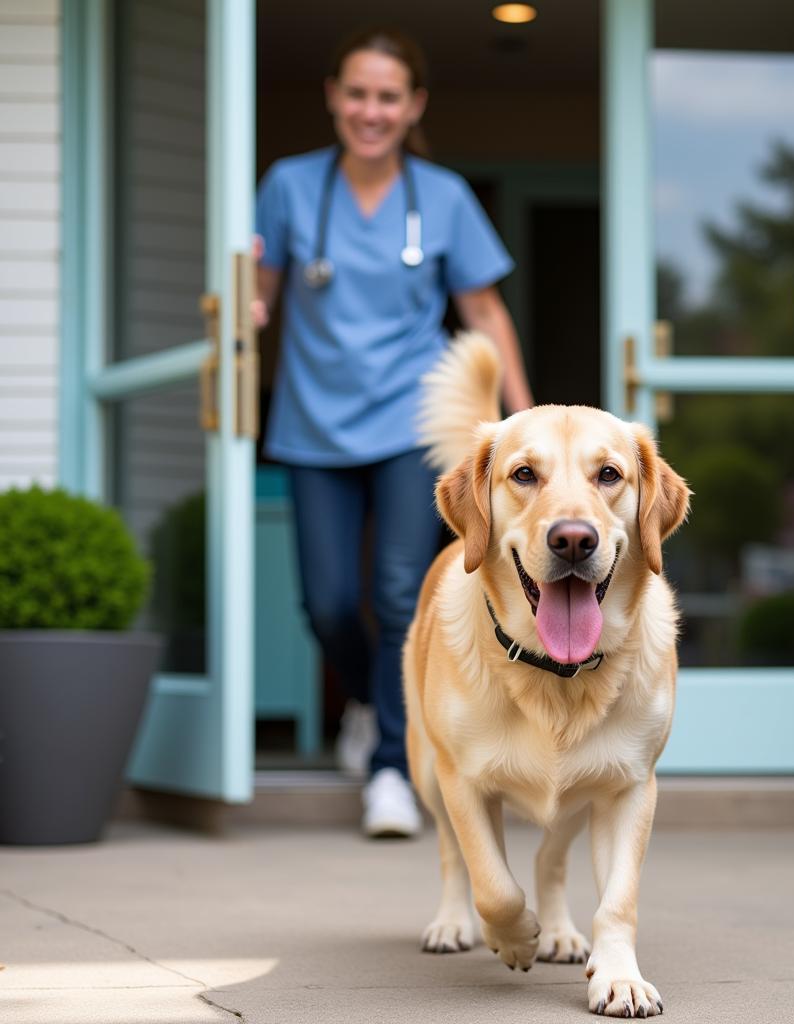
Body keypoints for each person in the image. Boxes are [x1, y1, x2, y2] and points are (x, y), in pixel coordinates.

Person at [253, 27, 533, 839]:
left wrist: (516, 418)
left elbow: (483, 311)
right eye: (357, 94)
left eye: (388, 97)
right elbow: (259, 287)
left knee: (400, 593)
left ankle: (387, 767)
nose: (370, 111)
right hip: (312, 423)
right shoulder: (290, 185)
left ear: (412, 107)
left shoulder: (441, 196)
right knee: (329, 600)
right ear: (335, 98)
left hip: (414, 426)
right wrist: (247, 314)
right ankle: (372, 709)